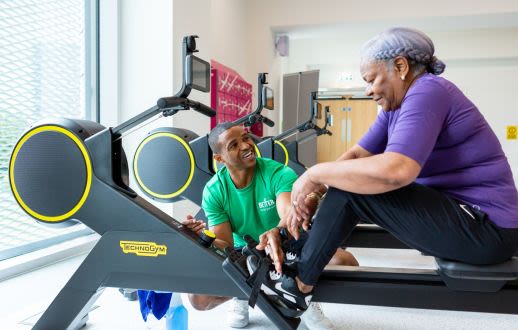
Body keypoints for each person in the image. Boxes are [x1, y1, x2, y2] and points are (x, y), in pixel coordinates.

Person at [250, 27, 518, 314]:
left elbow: (397, 171)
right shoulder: (395, 108)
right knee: (346, 180)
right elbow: (355, 156)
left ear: (400, 67)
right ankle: (292, 250)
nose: (368, 90)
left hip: (488, 229)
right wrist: (302, 204)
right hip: (467, 216)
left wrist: (314, 174)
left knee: (349, 189)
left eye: (372, 79)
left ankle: (297, 287)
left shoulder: (428, 90)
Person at [183, 122, 358, 329]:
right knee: (198, 299)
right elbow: (225, 243)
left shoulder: (278, 173)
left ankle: (299, 296)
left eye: (246, 138)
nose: (247, 146)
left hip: (286, 248)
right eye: (234, 145)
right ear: (219, 158)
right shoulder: (214, 191)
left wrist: (276, 234)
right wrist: (203, 236)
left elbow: (288, 217)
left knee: (346, 263)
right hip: (246, 256)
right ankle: (251, 294)